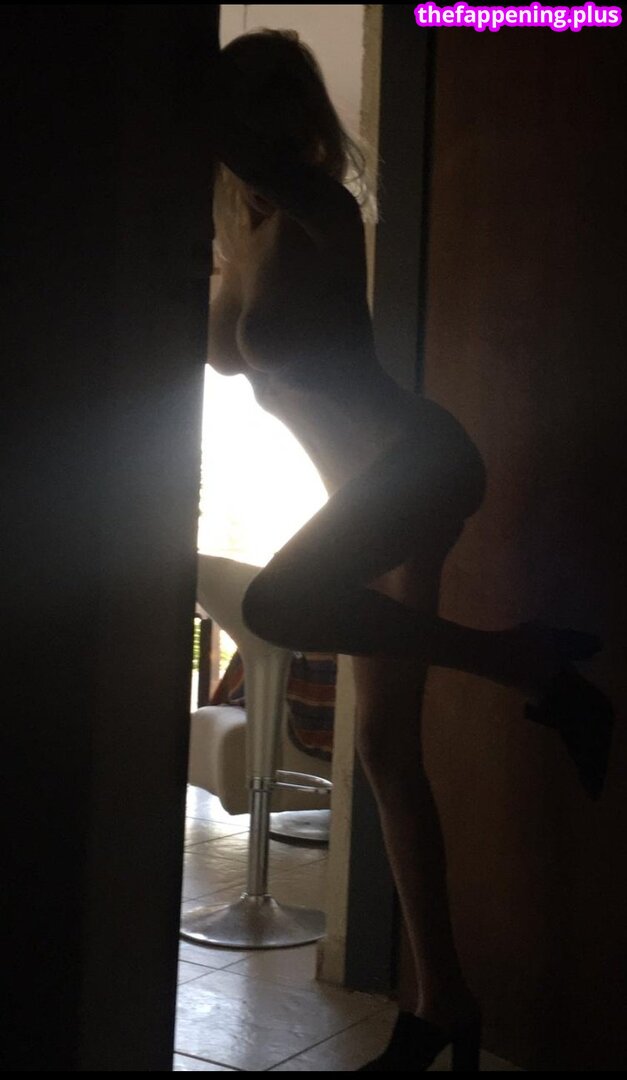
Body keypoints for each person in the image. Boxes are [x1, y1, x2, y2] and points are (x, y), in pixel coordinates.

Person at [207, 29, 613, 1072]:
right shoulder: (242, 238)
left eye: (260, 103)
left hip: (416, 463)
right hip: (371, 494)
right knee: (388, 754)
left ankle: (524, 660)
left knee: (276, 604)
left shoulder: (322, 208)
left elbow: (245, 159)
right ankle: (445, 1006)